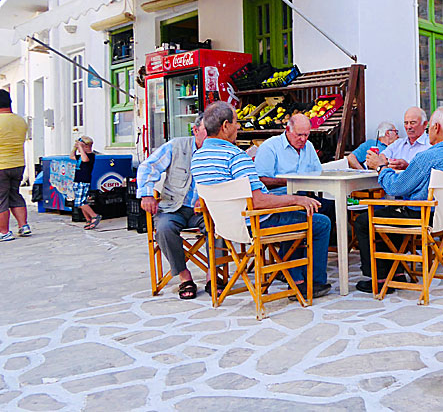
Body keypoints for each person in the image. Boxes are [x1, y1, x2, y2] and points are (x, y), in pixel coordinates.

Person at [191, 102, 331, 298]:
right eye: (236, 122)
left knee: (297, 213)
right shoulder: (236, 156)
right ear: (225, 126)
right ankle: (310, 283)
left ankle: (295, 276)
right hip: (255, 223)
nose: (238, 126)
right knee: (320, 222)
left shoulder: (198, 157)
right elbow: (258, 201)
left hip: (224, 226)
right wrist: (295, 200)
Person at [357, 107, 443, 293]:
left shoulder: (427, 157)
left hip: (421, 217)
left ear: (436, 127)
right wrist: (409, 168)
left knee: (365, 220)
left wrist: (380, 167)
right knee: (392, 211)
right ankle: (398, 272)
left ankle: (379, 278)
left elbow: (395, 187)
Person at [137, 113, 208, 300]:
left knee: (219, 226)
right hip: (172, 207)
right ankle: (184, 276)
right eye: (207, 132)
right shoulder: (177, 145)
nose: (211, 137)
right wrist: (146, 194)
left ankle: (212, 275)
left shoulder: (217, 151)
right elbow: (148, 166)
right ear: (195, 130)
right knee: (163, 228)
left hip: (203, 210)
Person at [254, 114, 336, 243]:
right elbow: (261, 180)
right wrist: (291, 182)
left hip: (304, 196)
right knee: (316, 217)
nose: (303, 139)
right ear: (287, 130)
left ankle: (313, 251)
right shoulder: (270, 147)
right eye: (299, 135)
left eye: (306, 135)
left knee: (332, 207)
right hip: (277, 200)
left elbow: (318, 173)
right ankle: (293, 253)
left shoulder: (308, 146)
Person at [0, 90, 30, 241]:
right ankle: (23, 226)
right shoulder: (20, 121)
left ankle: (4, 232)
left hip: (1, 165)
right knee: (15, 194)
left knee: (1, 199)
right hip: (18, 163)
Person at [71, 135, 101, 230]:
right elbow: (71, 156)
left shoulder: (90, 156)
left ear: (86, 147)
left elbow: (85, 160)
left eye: (82, 146)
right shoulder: (80, 156)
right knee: (81, 202)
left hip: (84, 181)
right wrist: (75, 148)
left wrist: (81, 147)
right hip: (77, 180)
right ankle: (88, 219)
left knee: (80, 202)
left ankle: (94, 216)